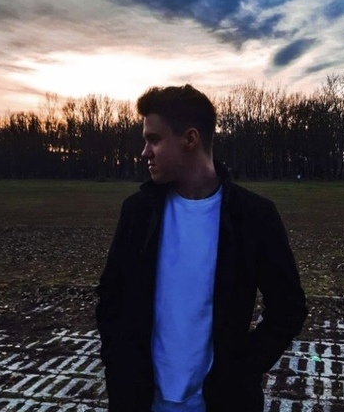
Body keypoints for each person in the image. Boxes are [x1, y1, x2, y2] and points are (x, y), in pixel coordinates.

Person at [95, 84, 307, 412]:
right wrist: (119, 366)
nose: (145, 152)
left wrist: (242, 369)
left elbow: (288, 308)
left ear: (190, 139)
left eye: (154, 139)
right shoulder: (138, 213)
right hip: (142, 402)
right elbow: (111, 299)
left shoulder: (252, 216)